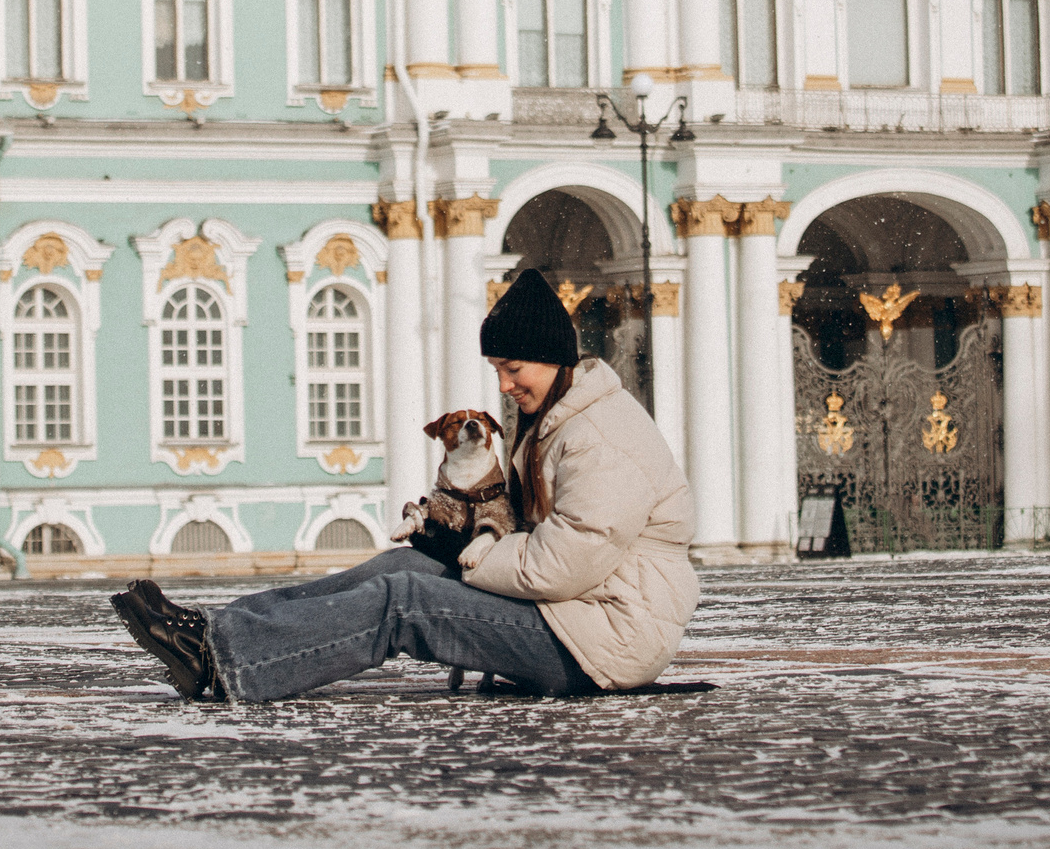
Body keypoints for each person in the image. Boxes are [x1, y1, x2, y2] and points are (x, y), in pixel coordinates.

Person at [110, 269, 696, 702]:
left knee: (406, 604)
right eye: (498, 373)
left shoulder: (600, 435)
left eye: (513, 370)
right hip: (571, 615)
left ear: (550, 358)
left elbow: (562, 565)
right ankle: (211, 630)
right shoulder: (559, 421)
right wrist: (448, 533)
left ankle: (223, 662)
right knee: (401, 570)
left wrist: (466, 551)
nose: (505, 387)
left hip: (603, 638)